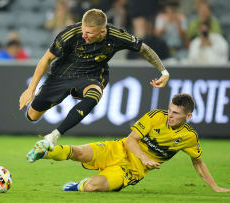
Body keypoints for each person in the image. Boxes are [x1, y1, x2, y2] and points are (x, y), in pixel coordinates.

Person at [19, 9, 170, 160]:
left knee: (95, 93)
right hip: (61, 76)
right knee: (32, 116)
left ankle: (54, 135)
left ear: (102, 31)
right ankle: (50, 102)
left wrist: (164, 72)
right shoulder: (70, 33)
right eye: (84, 31)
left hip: (92, 76)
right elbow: (46, 59)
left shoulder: (116, 35)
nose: (84, 35)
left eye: (89, 33)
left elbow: (145, 49)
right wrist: (31, 89)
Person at [27, 93, 230, 193]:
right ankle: (45, 152)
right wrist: (145, 157)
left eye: (175, 113)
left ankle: (77, 185)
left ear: (188, 117)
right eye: (170, 110)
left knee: (92, 187)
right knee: (80, 152)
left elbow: (198, 162)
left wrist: (216, 187)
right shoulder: (156, 116)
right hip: (119, 149)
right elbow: (131, 140)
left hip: (131, 171)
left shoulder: (189, 137)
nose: (169, 115)